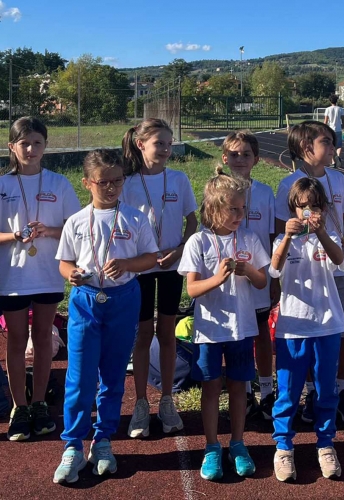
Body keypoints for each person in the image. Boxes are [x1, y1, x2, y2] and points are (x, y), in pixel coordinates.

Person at [53, 149, 158, 484]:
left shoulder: (135, 218)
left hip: (124, 299)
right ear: (87, 183)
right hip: (85, 301)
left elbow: (151, 259)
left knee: (113, 375)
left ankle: (103, 440)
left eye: (117, 181)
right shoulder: (76, 221)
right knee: (80, 375)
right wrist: (71, 274)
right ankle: (72, 445)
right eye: (103, 182)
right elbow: (64, 262)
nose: (111, 187)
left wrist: (127, 265)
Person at [177, 167, 269, 481]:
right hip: (209, 331)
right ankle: (212, 446)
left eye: (243, 208)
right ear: (215, 208)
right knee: (211, 387)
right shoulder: (198, 242)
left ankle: (239, 443)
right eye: (234, 209)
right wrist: (216, 279)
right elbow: (191, 289)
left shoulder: (249, 238)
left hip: (242, 327)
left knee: (240, 386)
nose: (240, 215)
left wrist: (246, 270)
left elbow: (262, 282)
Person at [275, 121, 344, 425]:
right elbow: (281, 228)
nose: (333, 148)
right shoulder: (290, 184)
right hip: (307, 270)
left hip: (338, 265)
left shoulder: (338, 179)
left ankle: (341, 390)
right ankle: (313, 392)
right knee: (312, 332)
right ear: (305, 148)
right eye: (326, 142)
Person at [0, 117, 80, 441]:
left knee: (44, 338)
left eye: (37, 143)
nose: (31, 149)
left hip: (48, 274)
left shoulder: (59, 183)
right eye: (24, 143)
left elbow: (76, 228)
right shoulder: (3, 185)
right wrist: (13, 236)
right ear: (12, 147)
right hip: (12, 277)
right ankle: (19, 407)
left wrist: (50, 231)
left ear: (46, 146)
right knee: (17, 342)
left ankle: (39, 404)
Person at [121, 118, 197, 438]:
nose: (166, 149)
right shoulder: (126, 182)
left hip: (170, 269)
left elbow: (192, 221)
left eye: (169, 143)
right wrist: (140, 258)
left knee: (166, 334)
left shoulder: (178, 180)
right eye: (159, 144)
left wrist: (180, 249)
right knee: (142, 336)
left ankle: (166, 400)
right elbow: (119, 227)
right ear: (141, 145)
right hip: (140, 270)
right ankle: (141, 404)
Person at [270, 177, 344, 482]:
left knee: (326, 389)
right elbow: (274, 269)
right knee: (288, 392)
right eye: (303, 207)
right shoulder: (282, 240)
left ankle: (326, 444)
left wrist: (322, 232)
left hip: (327, 325)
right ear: (293, 210)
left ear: (324, 209)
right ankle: (283, 447)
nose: (309, 212)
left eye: (315, 206)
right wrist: (288, 237)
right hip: (292, 328)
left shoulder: (329, 238)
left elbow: (339, 260)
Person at [221, 130, 276, 420]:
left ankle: (266, 392)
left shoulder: (266, 192)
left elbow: (274, 237)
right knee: (233, 335)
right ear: (224, 158)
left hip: (257, 276)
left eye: (246, 154)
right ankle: (239, 392)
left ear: (256, 159)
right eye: (234, 154)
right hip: (227, 278)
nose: (240, 159)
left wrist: (274, 278)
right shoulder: (216, 191)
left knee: (261, 331)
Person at [324, 94, 344, 158]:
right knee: (339, 146)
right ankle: (338, 156)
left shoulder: (328, 109)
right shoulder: (340, 109)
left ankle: (333, 161)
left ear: (330, 101)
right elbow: (343, 121)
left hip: (331, 130)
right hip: (338, 130)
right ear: (336, 101)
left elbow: (325, 121)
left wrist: (323, 130)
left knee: (331, 146)